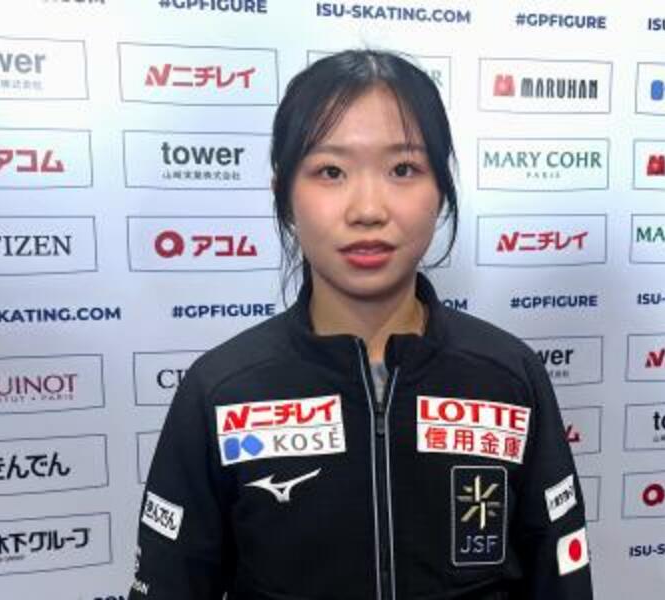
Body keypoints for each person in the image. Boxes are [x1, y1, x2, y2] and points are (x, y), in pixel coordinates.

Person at [129, 49, 593, 599]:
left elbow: (561, 580)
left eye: (403, 170)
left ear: (441, 190)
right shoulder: (222, 389)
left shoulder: (507, 377)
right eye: (331, 171)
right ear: (284, 193)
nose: (368, 209)